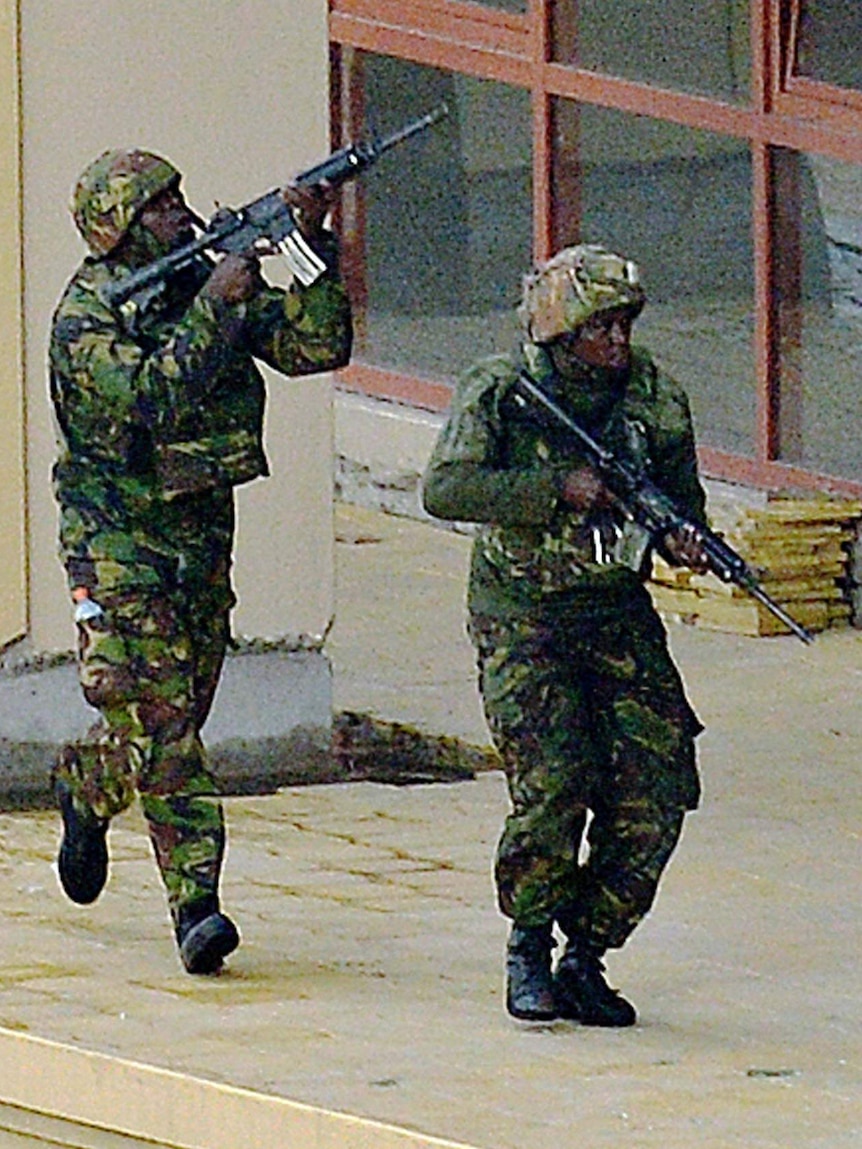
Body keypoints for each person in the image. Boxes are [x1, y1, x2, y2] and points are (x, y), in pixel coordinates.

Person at [49, 148, 352, 974]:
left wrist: (309, 242)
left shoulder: (200, 281)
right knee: (167, 726)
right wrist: (218, 303)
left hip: (197, 534)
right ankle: (197, 906)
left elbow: (316, 346)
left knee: (180, 710)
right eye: (159, 207)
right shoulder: (88, 319)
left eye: (180, 197)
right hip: (116, 540)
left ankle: (87, 785)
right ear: (116, 230)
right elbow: (152, 398)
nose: (180, 214)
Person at [422, 244, 708, 1026]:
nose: (616, 343)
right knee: (555, 782)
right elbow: (445, 488)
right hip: (524, 614)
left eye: (623, 325)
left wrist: (685, 540)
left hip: (613, 611)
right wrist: (556, 490)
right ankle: (528, 944)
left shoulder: (654, 398)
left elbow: (683, 500)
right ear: (559, 330)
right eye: (599, 327)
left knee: (658, 784)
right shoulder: (504, 388)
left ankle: (588, 949)